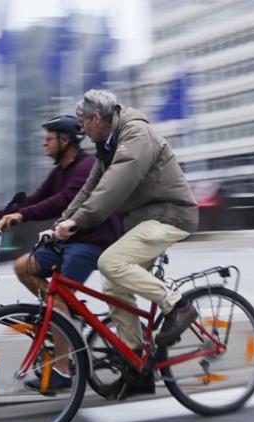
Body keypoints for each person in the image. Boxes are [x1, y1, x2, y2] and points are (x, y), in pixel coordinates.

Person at [0, 114, 121, 394]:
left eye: (49, 138)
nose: (44, 143)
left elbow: (62, 201)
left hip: (92, 241)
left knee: (58, 296)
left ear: (65, 141)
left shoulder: (87, 166)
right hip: (67, 241)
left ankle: (63, 369)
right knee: (23, 266)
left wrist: (22, 215)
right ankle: (62, 320)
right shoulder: (59, 172)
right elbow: (34, 199)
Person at [54, 89, 200, 358]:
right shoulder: (109, 145)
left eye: (82, 123)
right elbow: (90, 188)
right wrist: (61, 223)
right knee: (113, 285)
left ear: (96, 117)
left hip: (171, 215)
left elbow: (114, 185)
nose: (81, 130)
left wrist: (78, 222)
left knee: (110, 262)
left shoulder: (135, 135)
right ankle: (135, 360)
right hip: (146, 219)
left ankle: (178, 306)